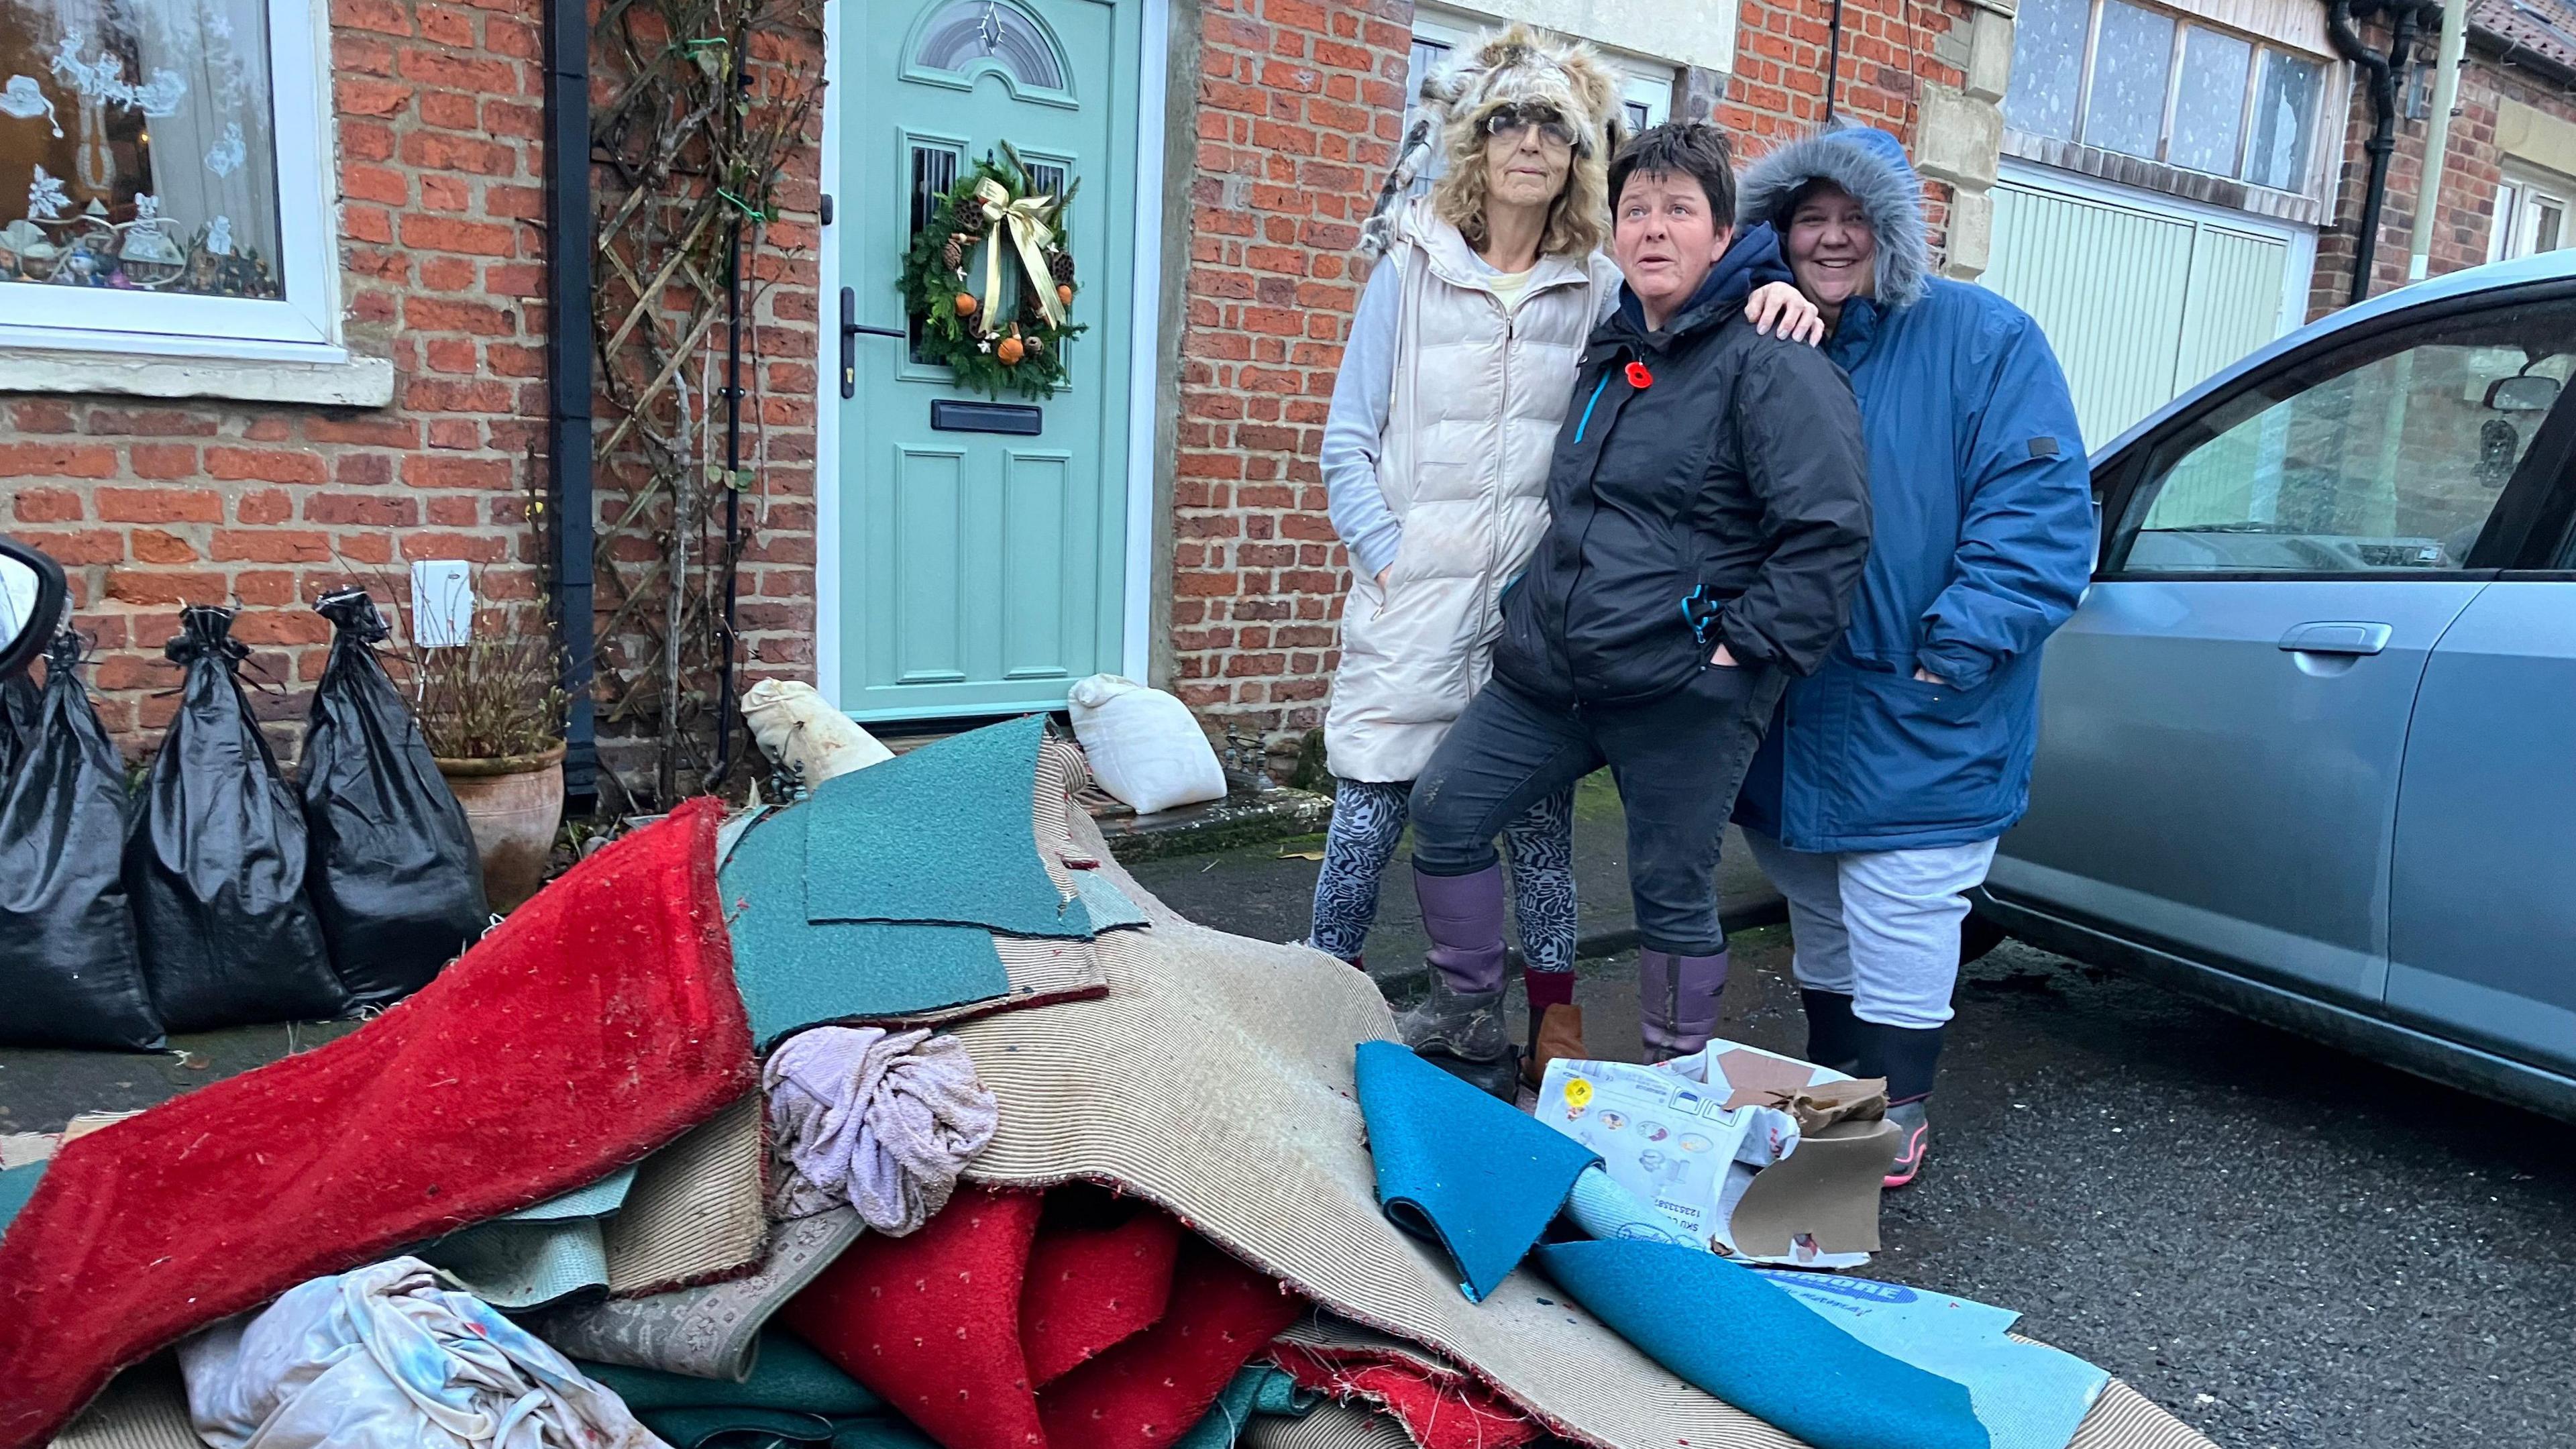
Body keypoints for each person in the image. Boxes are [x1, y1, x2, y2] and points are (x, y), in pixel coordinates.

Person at [1312, 30, 1819, 1088]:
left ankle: (1565, 1037)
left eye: (1556, 126)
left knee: (1549, 837)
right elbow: (1348, 436)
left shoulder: (1599, 291)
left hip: (1543, 618)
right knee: (1380, 810)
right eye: (1508, 122)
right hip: (1427, 596)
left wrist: (1782, 284)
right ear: (1472, 141)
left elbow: (1709, 275)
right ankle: (1331, 1005)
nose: (1530, 144)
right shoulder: (1412, 268)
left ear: (1581, 153)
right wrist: (1387, 554)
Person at [1395, 121, 1872, 1095]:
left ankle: (1671, 1091)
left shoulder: (1772, 356)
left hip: (1685, 686)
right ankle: (1469, 1023)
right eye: (1637, 210)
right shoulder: (1614, 352)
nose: (1654, 229)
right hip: (1557, 668)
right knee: (1444, 812)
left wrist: (1743, 652)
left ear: (1725, 230)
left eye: (1679, 210)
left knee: (1671, 894)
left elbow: (1829, 529)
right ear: (1615, 230)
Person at [1731, 124, 2096, 1186]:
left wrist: (1963, 642)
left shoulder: (1983, 337)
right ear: (1778, 230)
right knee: (1818, 897)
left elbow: (2039, 508)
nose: (1832, 239)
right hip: (1795, 698)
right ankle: (1837, 1098)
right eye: (1811, 218)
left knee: (1902, 908)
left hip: (1918, 688)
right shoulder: (1762, 336)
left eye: (1855, 219)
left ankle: (1893, 1114)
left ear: (1895, 230)